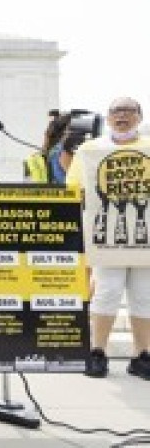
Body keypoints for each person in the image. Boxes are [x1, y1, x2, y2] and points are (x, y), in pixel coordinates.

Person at [67, 97, 150, 379]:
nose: (122, 116)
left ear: (139, 117)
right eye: (116, 111)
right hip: (106, 238)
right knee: (107, 293)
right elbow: (73, 187)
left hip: (145, 238)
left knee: (144, 297)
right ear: (108, 117)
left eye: (129, 111)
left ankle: (142, 355)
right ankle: (97, 351)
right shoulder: (91, 150)